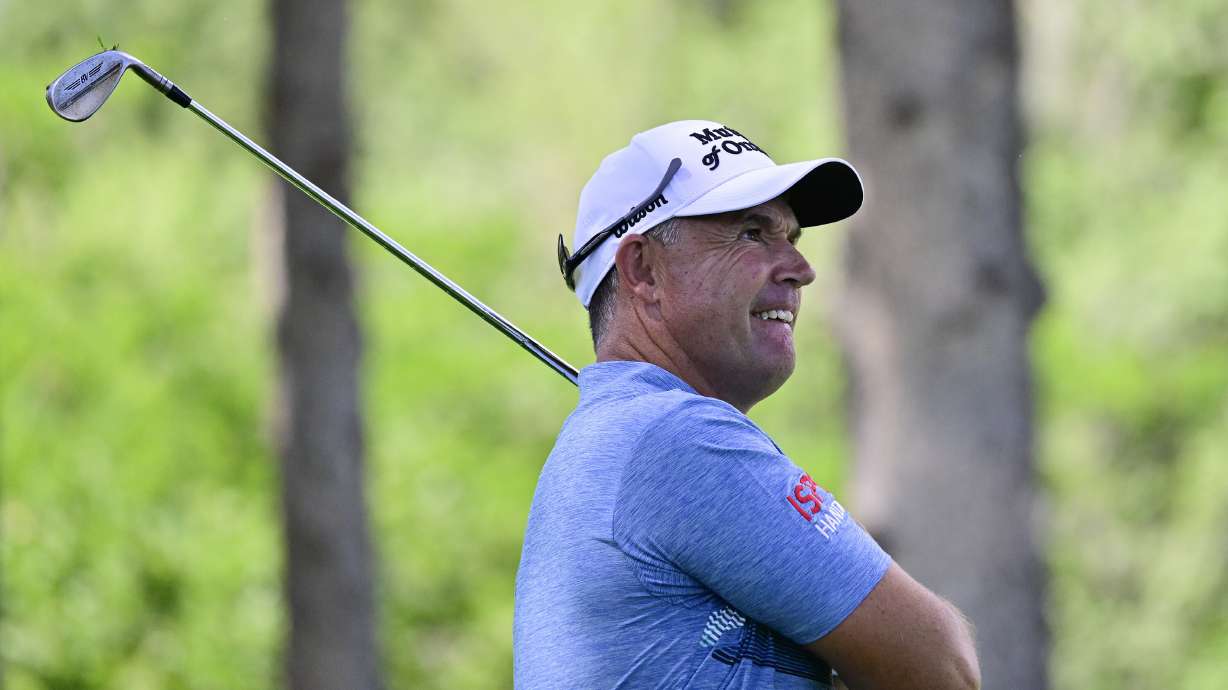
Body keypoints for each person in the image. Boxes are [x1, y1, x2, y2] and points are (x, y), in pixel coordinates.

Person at [514, 120, 980, 689]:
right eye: (753, 233)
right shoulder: (677, 438)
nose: (801, 270)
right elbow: (943, 666)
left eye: (793, 239)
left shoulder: (617, 440)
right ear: (643, 270)